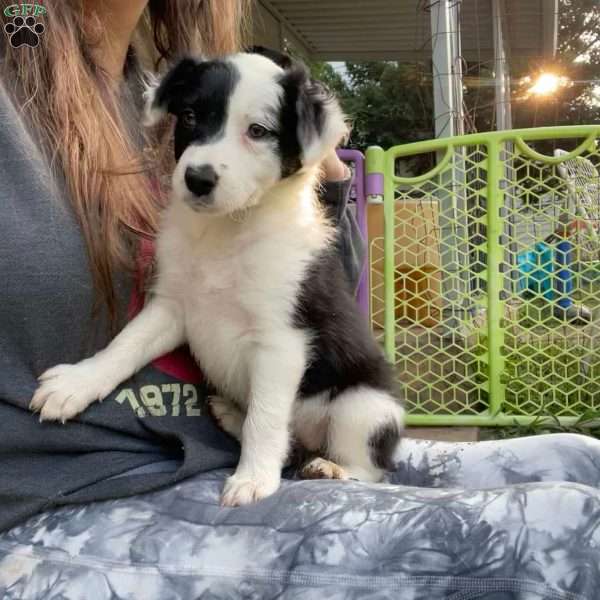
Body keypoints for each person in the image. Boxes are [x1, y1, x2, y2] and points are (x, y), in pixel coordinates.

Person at [1, 2, 600, 599]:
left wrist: (324, 170)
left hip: (268, 432)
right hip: (91, 486)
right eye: (196, 120)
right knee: (576, 537)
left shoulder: (153, 85)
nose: (208, 152)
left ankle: (353, 470)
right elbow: (174, 310)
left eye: (255, 132)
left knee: (582, 460)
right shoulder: (21, 44)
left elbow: (297, 312)